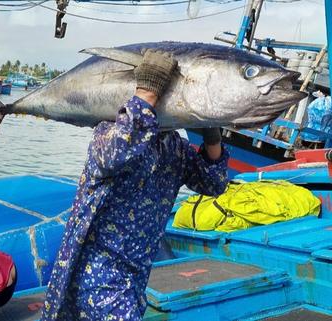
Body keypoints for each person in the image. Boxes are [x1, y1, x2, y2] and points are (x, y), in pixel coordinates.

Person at [41, 50, 230, 321]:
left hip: (135, 275)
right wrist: (147, 92)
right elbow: (115, 154)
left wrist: (212, 134)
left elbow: (214, 184)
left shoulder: (174, 146)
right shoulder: (109, 132)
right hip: (96, 272)